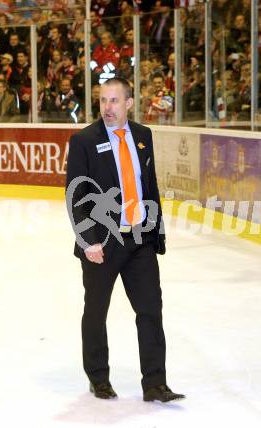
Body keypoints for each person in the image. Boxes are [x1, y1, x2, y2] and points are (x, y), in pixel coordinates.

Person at [65, 77, 185, 403]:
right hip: (102, 243)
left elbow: (150, 188)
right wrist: (88, 241)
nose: (108, 107)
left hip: (139, 240)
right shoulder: (84, 140)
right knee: (96, 312)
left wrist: (155, 234)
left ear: (129, 103)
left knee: (150, 310)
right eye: (103, 100)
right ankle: (98, 378)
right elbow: (76, 194)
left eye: (115, 101)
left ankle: (155, 384)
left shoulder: (143, 136)